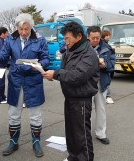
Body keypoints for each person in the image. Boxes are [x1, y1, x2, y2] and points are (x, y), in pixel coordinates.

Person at [0, 13, 49, 158]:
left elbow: (46, 58)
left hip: (33, 80)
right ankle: (13, 141)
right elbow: (3, 56)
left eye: (26, 29)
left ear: (31, 27)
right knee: (13, 114)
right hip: (16, 80)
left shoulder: (40, 39)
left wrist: (39, 64)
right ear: (17, 28)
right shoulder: (11, 39)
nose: (24, 32)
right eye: (21, 29)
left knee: (35, 115)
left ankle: (36, 141)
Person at [42, 21, 100, 161]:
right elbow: (67, 72)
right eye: (65, 38)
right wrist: (55, 76)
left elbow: (78, 75)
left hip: (81, 98)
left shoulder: (88, 54)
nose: (65, 41)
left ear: (79, 36)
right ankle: (73, 156)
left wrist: (56, 74)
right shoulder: (71, 50)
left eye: (68, 38)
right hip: (70, 97)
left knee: (82, 134)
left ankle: (84, 158)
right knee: (71, 132)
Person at [87, 26, 115, 145]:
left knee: (101, 109)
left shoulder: (107, 48)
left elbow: (112, 65)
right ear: (87, 36)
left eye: (97, 38)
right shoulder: (82, 47)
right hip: (86, 83)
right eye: (93, 38)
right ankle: (85, 134)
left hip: (101, 82)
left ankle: (101, 133)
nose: (95, 40)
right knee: (86, 110)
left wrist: (104, 65)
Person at [101, 29, 115, 104]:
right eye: (107, 35)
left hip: (106, 66)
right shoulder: (104, 45)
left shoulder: (107, 44)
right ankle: (107, 96)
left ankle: (107, 95)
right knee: (106, 81)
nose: (109, 37)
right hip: (105, 67)